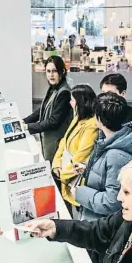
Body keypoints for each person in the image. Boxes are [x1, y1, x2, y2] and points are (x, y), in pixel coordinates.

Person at [73, 92, 132, 223]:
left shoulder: (116, 155)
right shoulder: (113, 140)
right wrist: (88, 169)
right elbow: (109, 176)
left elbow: (112, 202)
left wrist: (80, 193)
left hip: (102, 223)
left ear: (99, 119)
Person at [52, 84, 98, 216]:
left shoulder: (91, 126)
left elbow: (81, 156)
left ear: (81, 102)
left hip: (77, 180)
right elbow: (63, 143)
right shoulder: (77, 118)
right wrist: (56, 165)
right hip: (66, 174)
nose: (70, 103)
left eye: (72, 100)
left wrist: (62, 175)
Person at [23, 55, 73, 163]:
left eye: (54, 71)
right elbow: (42, 110)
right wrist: (23, 121)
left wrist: (28, 127)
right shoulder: (53, 88)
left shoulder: (64, 92)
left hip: (57, 142)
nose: (51, 75)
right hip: (49, 141)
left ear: (62, 71)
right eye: (48, 71)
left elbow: (54, 121)